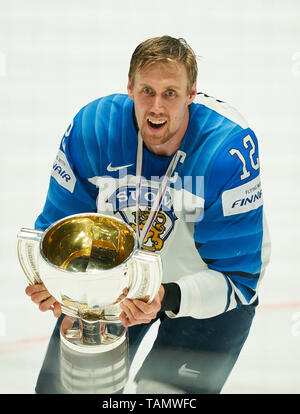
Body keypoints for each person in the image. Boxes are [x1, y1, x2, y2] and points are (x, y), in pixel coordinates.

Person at [25, 35, 271, 394]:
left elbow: (239, 278)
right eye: (147, 91)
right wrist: (52, 279)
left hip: (205, 289)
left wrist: (165, 295)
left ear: (191, 94)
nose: (157, 106)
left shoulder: (224, 151)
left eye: (171, 92)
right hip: (114, 284)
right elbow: (58, 230)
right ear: (129, 88)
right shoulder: (93, 129)